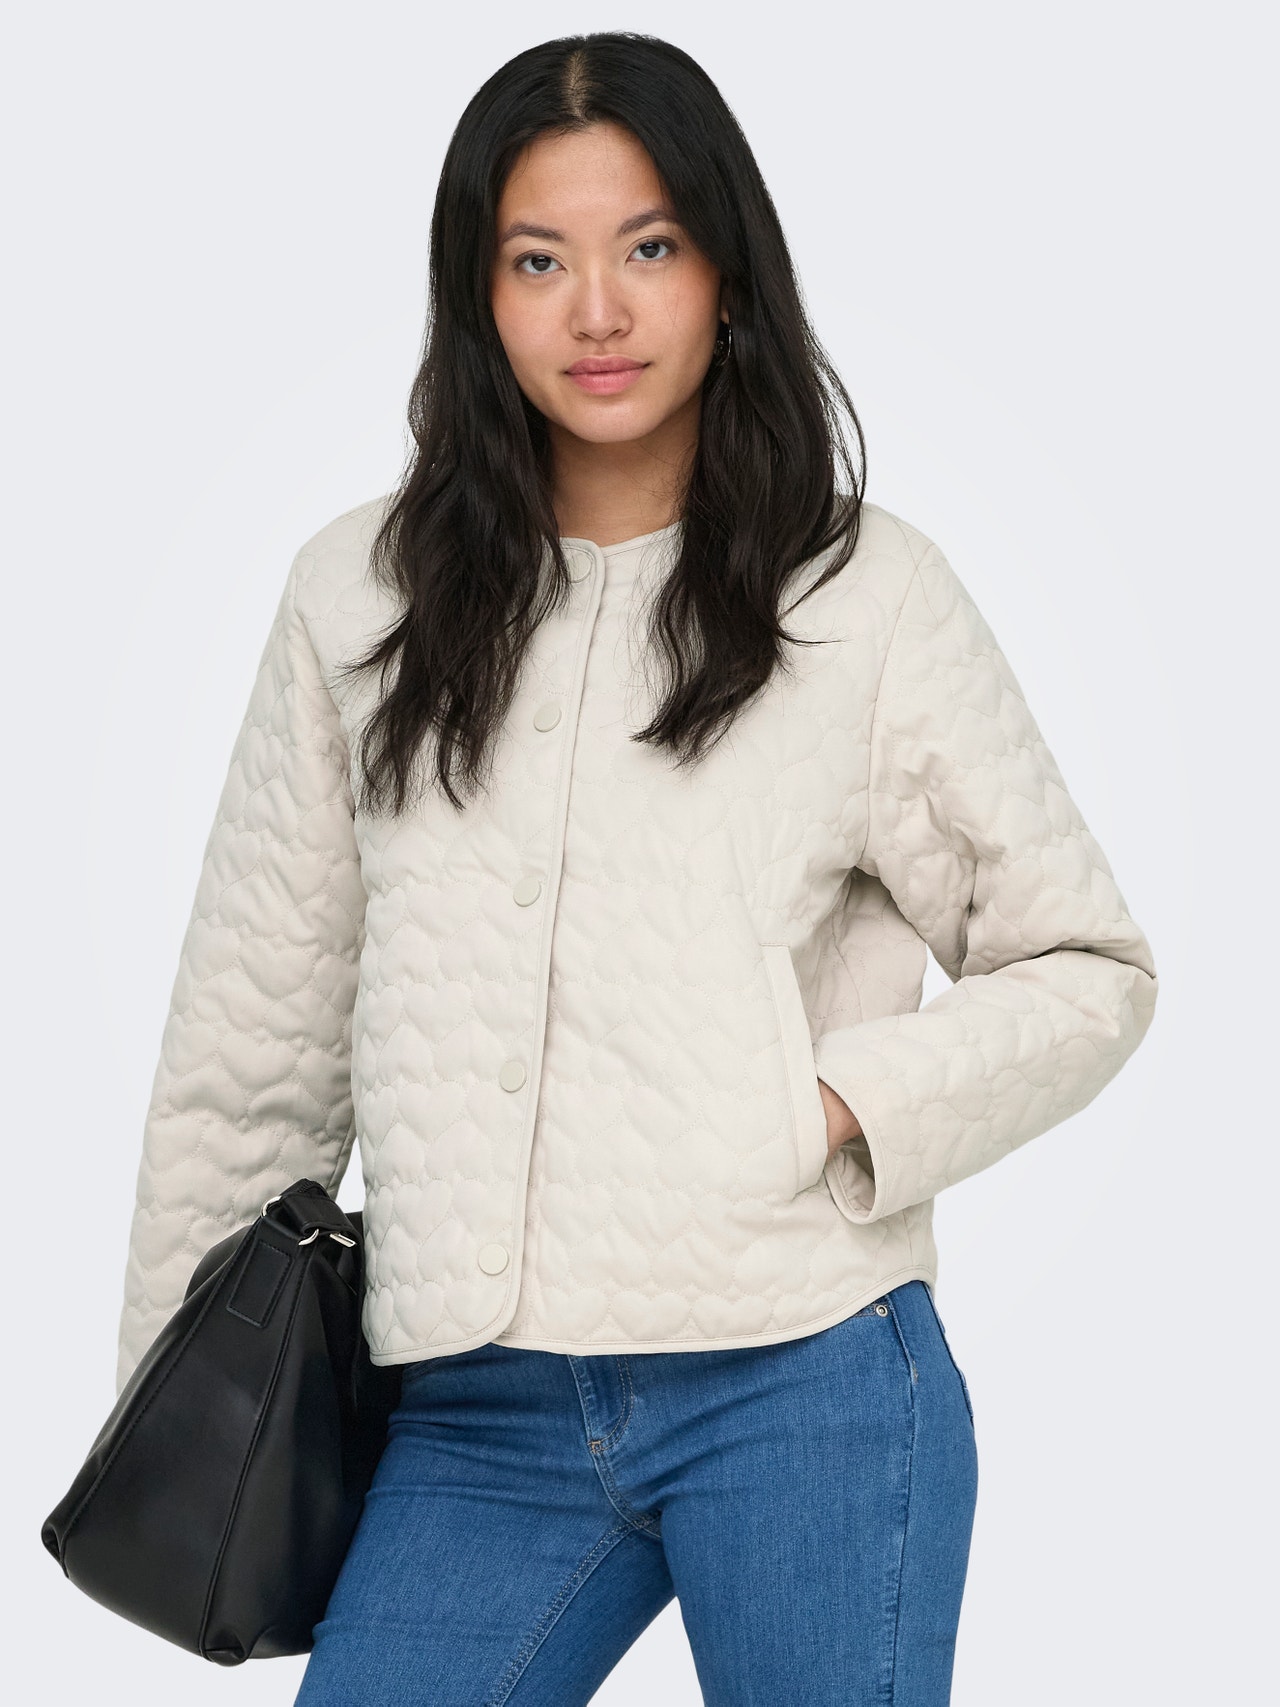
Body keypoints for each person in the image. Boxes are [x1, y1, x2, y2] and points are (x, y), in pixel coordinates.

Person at [113, 30, 1158, 1707]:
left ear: (726, 271)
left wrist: (831, 1108)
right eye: (539, 260)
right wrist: (174, 1411)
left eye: (649, 248)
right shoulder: (355, 600)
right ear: (478, 295)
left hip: (806, 1383)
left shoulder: (864, 598)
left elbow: (1085, 967)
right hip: (473, 1410)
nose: (596, 311)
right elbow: (256, 1041)